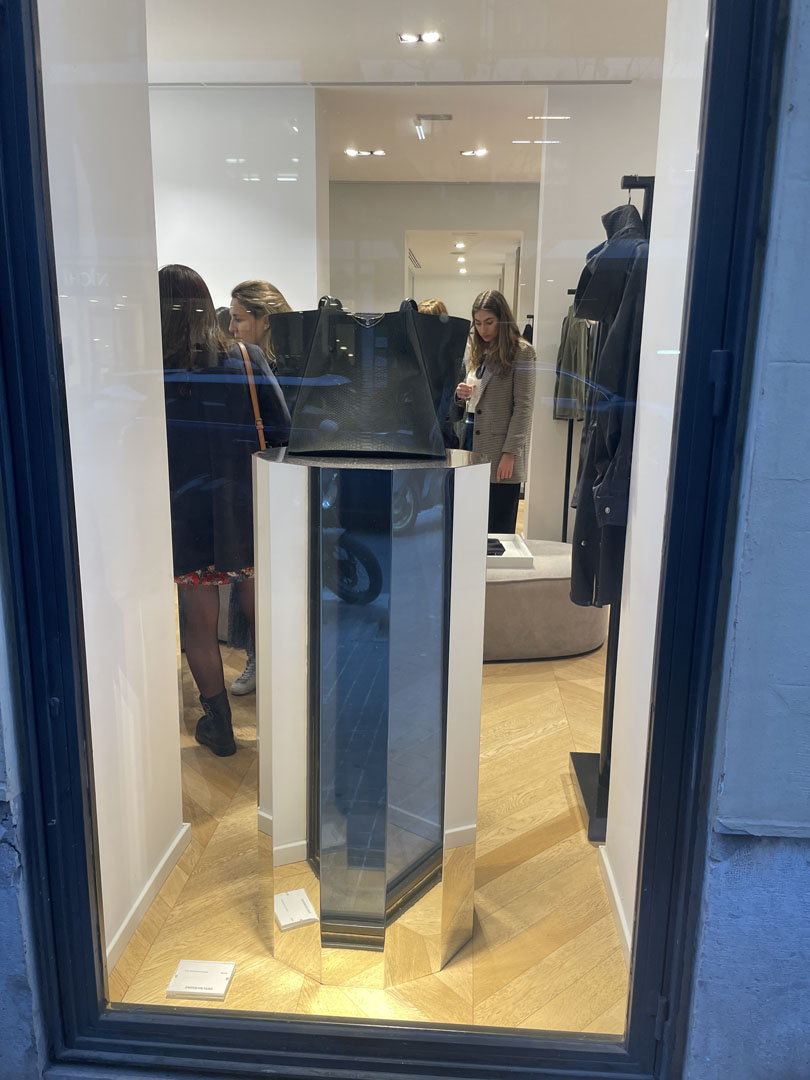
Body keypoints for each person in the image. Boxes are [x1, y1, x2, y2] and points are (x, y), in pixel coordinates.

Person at [160, 264, 290, 755]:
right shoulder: (246, 357)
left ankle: (219, 728)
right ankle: (286, 712)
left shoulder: (154, 370)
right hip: (243, 505)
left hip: (184, 512)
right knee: (261, 606)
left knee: (199, 620)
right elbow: (282, 429)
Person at [226, 279, 293, 695]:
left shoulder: (291, 364)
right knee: (249, 572)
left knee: (274, 574)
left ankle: (279, 658)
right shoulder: (241, 363)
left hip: (287, 482)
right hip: (254, 480)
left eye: (238, 318)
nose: (231, 328)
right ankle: (257, 657)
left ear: (264, 319)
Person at [452, 289, 536, 534]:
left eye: (489, 322)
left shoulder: (521, 352)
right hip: (471, 442)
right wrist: (461, 394)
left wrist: (510, 453)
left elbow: (524, 407)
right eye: (478, 323)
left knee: (499, 526)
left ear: (503, 319)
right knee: (472, 523)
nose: (483, 329)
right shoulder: (480, 351)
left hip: (500, 449)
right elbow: (477, 400)